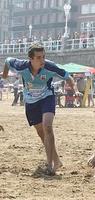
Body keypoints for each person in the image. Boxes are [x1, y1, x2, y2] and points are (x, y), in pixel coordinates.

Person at [2, 43, 80, 175]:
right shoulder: (21, 66)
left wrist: (76, 90)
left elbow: (68, 77)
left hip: (47, 97)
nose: (42, 60)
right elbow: (7, 60)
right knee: (41, 133)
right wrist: (4, 75)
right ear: (30, 59)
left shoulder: (49, 67)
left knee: (47, 127)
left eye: (43, 56)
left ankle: (50, 166)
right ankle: (57, 160)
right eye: (38, 58)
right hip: (31, 101)